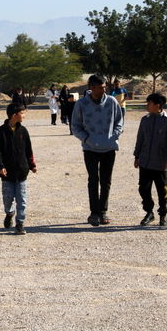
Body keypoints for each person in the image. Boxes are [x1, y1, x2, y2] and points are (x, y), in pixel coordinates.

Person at [71, 75, 123, 226]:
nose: (104, 89)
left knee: (106, 181)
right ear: (91, 88)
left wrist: (113, 137)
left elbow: (119, 121)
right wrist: (86, 139)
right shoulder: (81, 104)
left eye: (105, 87)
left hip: (109, 148)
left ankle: (103, 211)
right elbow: (75, 126)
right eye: (101, 87)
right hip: (90, 149)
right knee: (93, 180)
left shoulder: (112, 102)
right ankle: (94, 213)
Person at [134, 93, 167, 226]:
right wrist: (137, 156)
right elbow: (140, 139)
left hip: (160, 163)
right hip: (145, 161)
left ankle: (163, 214)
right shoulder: (145, 120)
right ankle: (149, 212)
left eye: (149, 103)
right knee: (143, 189)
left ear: (157, 105)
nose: (147, 105)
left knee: (162, 190)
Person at [0, 103, 37, 235]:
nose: (24, 116)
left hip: (22, 171)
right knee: (7, 199)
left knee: (22, 200)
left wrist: (32, 165)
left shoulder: (23, 131)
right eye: (22, 113)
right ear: (14, 115)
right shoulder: (0, 131)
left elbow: (29, 150)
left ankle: (20, 223)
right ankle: (9, 213)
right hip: (7, 174)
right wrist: (0, 167)